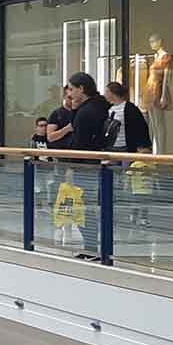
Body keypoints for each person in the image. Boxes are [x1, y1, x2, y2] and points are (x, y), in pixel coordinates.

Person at [65, 72, 111, 259]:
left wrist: (70, 166)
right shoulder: (100, 106)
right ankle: (95, 246)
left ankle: (91, 246)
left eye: (71, 88)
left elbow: (79, 141)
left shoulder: (87, 112)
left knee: (84, 207)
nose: (68, 93)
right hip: (98, 164)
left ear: (81, 89)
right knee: (93, 206)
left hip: (86, 166)